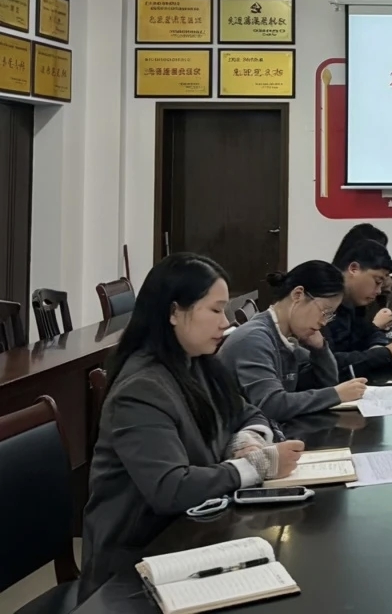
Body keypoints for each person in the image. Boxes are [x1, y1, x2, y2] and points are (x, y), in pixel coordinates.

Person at [80, 254, 305, 599]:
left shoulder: (196, 363)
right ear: (174, 312)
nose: (225, 322)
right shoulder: (141, 389)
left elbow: (248, 413)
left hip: (194, 535)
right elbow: (170, 488)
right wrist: (257, 465)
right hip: (135, 567)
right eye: (215, 310)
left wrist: (247, 440)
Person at [217, 260, 369, 421]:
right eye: (325, 311)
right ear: (298, 295)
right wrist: (336, 394)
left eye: (329, 316)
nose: (324, 322)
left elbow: (326, 383)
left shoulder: (287, 338)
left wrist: (320, 350)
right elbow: (271, 406)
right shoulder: (254, 339)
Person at [325, 239, 392, 375]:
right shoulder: (323, 303)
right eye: (377, 281)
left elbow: (370, 332)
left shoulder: (353, 303)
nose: (378, 291)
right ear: (354, 269)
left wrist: (377, 346)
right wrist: (382, 355)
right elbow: (327, 362)